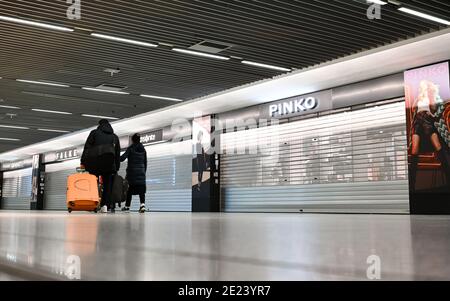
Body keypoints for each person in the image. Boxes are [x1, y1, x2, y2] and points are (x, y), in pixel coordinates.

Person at [409, 80, 450, 191]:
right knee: (414, 150)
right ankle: (411, 185)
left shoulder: (434, 97)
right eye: (423, 86)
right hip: (418, 121)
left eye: (427, 86)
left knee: (438, 147)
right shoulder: (419, 97)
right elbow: (414, 109)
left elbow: (438, 109)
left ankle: (448, 177)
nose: (425, 87)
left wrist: (432, 114)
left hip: (427, 120)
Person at [81, 119, 121, 213]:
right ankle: (104, 206)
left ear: (99, 125)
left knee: (93, 183)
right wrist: (116, 167)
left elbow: (87, 148)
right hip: (109, 164)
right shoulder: (114, 137)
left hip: (94, 163)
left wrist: (83, 161)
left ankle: (93, 204)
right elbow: (117, 154)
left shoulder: (94, 133)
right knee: (107, 185)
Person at [120, 134, 147, 213]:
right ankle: (142, 205)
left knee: (130, 189)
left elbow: (122, 158)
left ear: (132, 140)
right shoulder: (143, 150)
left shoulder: (130, 148)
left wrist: (115, 157)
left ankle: (127, 206)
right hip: (141, 172)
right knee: (141, 189)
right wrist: (143, 172)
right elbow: (145, 162)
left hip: (132, 173)